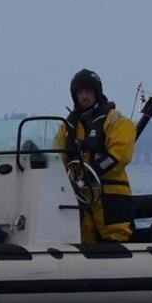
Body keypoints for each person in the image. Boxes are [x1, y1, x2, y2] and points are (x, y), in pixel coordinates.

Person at [54, 69, 135, 243]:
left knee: (116, 236)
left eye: (88, 92)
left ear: (97, 93)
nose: (84, 97)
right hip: (80, 195)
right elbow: (58, 156)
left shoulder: (115, 120)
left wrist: (92, 173)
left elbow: (120, 154)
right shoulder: (67, 127)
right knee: (82, 237)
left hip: (110, 194)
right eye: (80, 93)